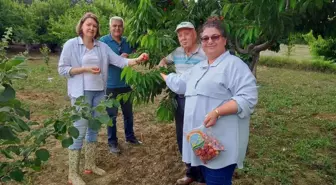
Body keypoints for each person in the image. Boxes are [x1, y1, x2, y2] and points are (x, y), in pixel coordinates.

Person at [160, 17, 258, 185]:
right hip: (201, 142)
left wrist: (217, 112)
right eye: (205, 38)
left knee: (217, 180)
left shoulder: (234, 65)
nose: (209, 41)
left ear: (224, 40)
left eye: (215, 37)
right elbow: (180, 83)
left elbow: (248, 98)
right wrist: (161, 74)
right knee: (207, 177)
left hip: (220, 142)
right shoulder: (199, 67)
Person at [58, 12, 148, 185]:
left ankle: (90, 165)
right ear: (82, 26)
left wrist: (138, 59)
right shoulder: (71, 44)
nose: (91, 28)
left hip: (100, 92)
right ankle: (72, 174)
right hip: (81, 94)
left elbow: (120, 62)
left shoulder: (101, 46)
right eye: (88, 25)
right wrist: (84, 69)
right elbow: (62, 69)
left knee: (93, 128)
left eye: (94, 25)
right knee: (79, 130)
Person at [158, 22, 206, 185]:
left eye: (187, 33)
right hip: (181, 99)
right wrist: (162, 63)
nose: (183, 38)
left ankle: (203, 175)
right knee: (182, 136)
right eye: (180, 35)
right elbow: (164, 60)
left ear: (194, 35)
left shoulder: (204, 51)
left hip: (199, 100)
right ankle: (190, 172)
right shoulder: (177, 53)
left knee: (199, 136)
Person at [100, 16, 140, 154]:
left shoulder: (128, 41)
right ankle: (112, 142)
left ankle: (130, 137)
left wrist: (129, 58)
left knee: (128, 114)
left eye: (120, 26)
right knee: (111, 115)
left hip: (125, 84)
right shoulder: (103, 42)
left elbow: (139, 51)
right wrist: (117, 60)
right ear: (110, 27)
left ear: (123, 28)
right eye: (114, 26)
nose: (117, 28)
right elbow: (100, 59)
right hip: (110, 84)